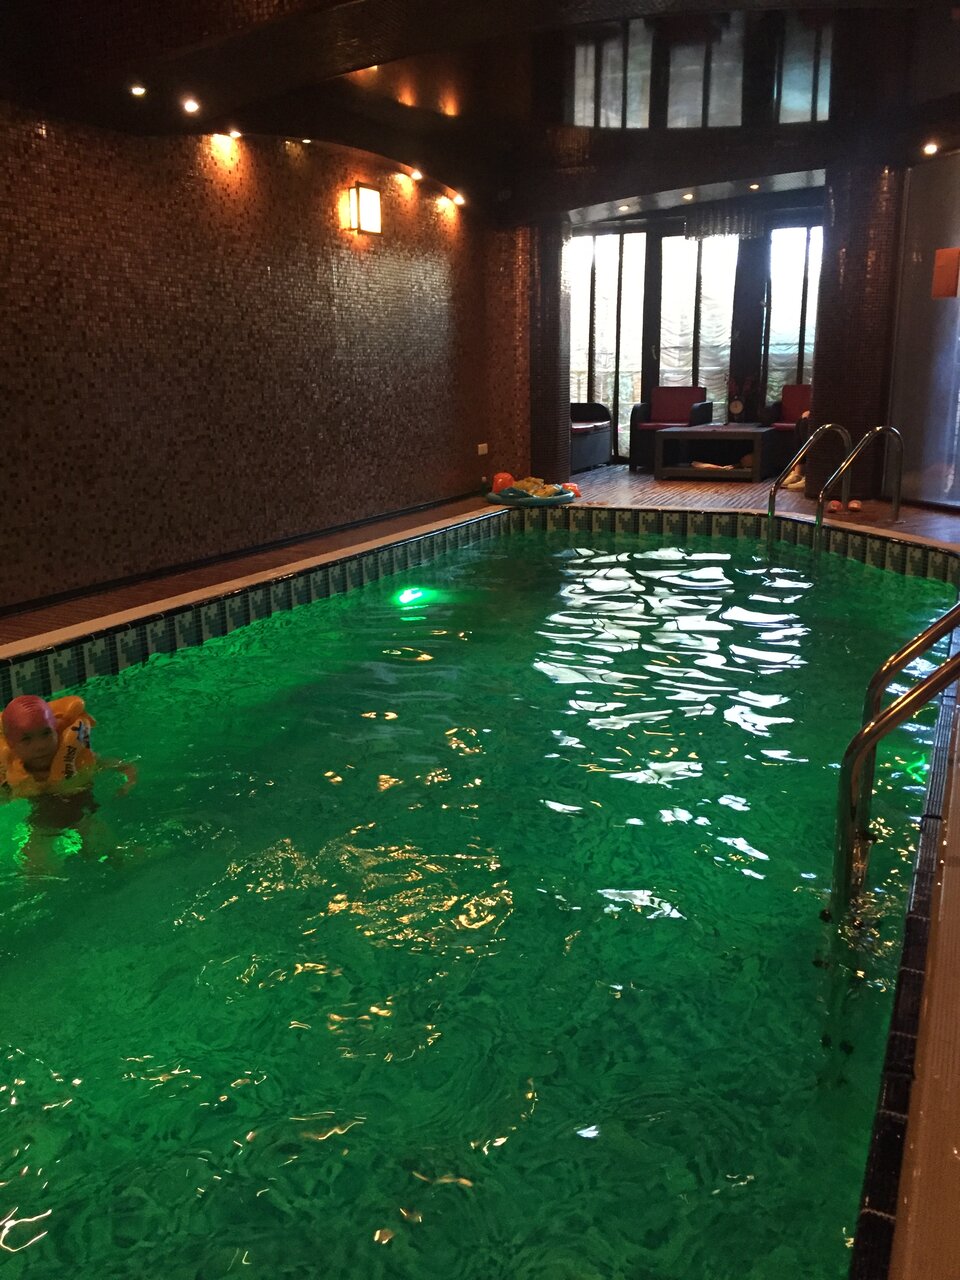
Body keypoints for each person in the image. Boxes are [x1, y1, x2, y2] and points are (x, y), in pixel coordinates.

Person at [0, 694, 137, 869]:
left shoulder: (75, 759)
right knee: (35, 872)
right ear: (11, 744)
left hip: (83, 816)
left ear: (55, 730)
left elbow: (109, 764)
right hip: (42, 826)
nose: (40, 745)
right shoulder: (10, 772)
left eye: (46, 733)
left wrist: (129, 776)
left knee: (118, 857)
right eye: (27, 739)